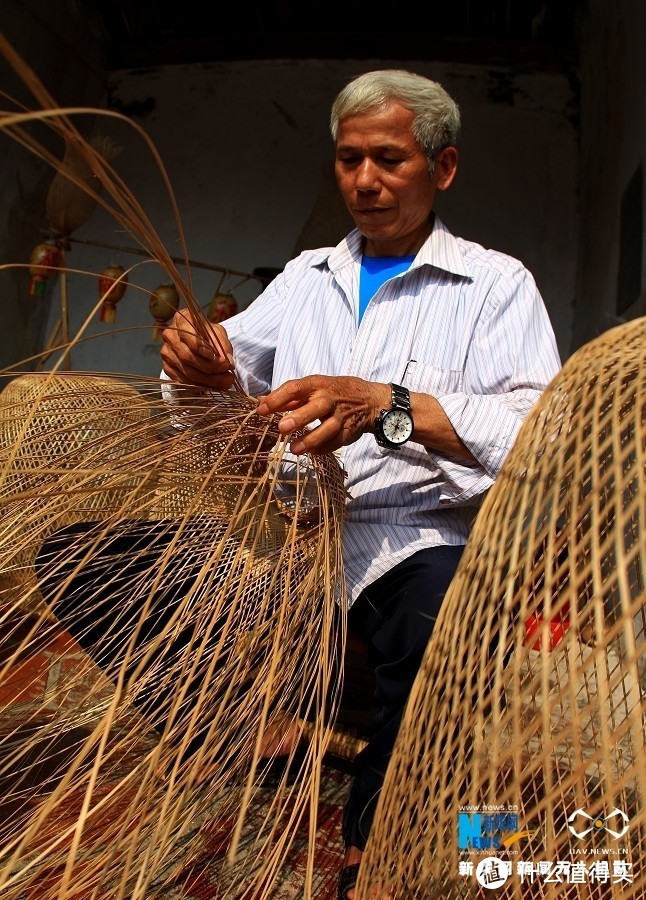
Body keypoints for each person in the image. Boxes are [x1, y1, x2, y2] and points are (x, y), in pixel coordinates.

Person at [159, 69, 562, 900]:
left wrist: (386, 407)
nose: (365, 181)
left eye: (389, 159)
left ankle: (378, 846)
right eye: (348, 161)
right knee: (92, 560)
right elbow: (218, 398)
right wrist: (197, 368)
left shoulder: (495, 286)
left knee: (441, 629)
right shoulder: (306, 277)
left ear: (441, 168)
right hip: (285, 535)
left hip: (408, 536)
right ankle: (243, 731)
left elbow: (535, 430)